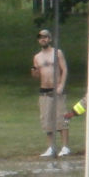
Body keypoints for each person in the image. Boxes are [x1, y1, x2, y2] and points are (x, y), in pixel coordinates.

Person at [31, 28, 69, 157]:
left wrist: (61, 86)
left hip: (57, 89)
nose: (43, 39)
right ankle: (51, 147)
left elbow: (64, 70)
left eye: (45, 37)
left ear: (50, 39)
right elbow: (36, 75)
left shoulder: (57, 53)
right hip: (44, 91)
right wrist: (34, 71)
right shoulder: (37, 57)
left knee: (61, 118)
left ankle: (65, 147)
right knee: (47, 119)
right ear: (38, 40)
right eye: (41, 37)